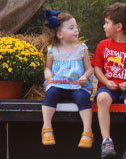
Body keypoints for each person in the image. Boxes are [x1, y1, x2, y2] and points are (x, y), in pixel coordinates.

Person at [92, 3, 126, 159]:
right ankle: (106, 141)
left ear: (119, 27)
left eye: (107, 23)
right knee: (102, 98)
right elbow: (97, 69)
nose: (104, 26)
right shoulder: (103, 45)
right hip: (108, 85)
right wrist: (105, 81)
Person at [41, 10, 94, 149]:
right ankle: (47, 127)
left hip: (77, 85)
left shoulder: (81, 49)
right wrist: (48, 75)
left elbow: (90, 68)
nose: (76, 30)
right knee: (51, 93)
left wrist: (85, 77)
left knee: (82, 97)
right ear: (59, 34)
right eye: (71, 28)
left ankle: (87, 131)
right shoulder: (53, 50)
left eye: (76, 27)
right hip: (58, 84)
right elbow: (48, 68)